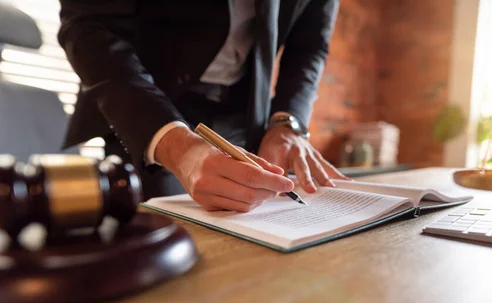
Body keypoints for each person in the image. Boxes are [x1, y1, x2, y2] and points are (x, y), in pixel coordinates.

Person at [57, 0, 348, 212]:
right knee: (163, 232)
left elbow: (310, 47)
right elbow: (89, 27)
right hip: (143, 105)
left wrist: (288, 122)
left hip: (244, 111)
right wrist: (175, 146)